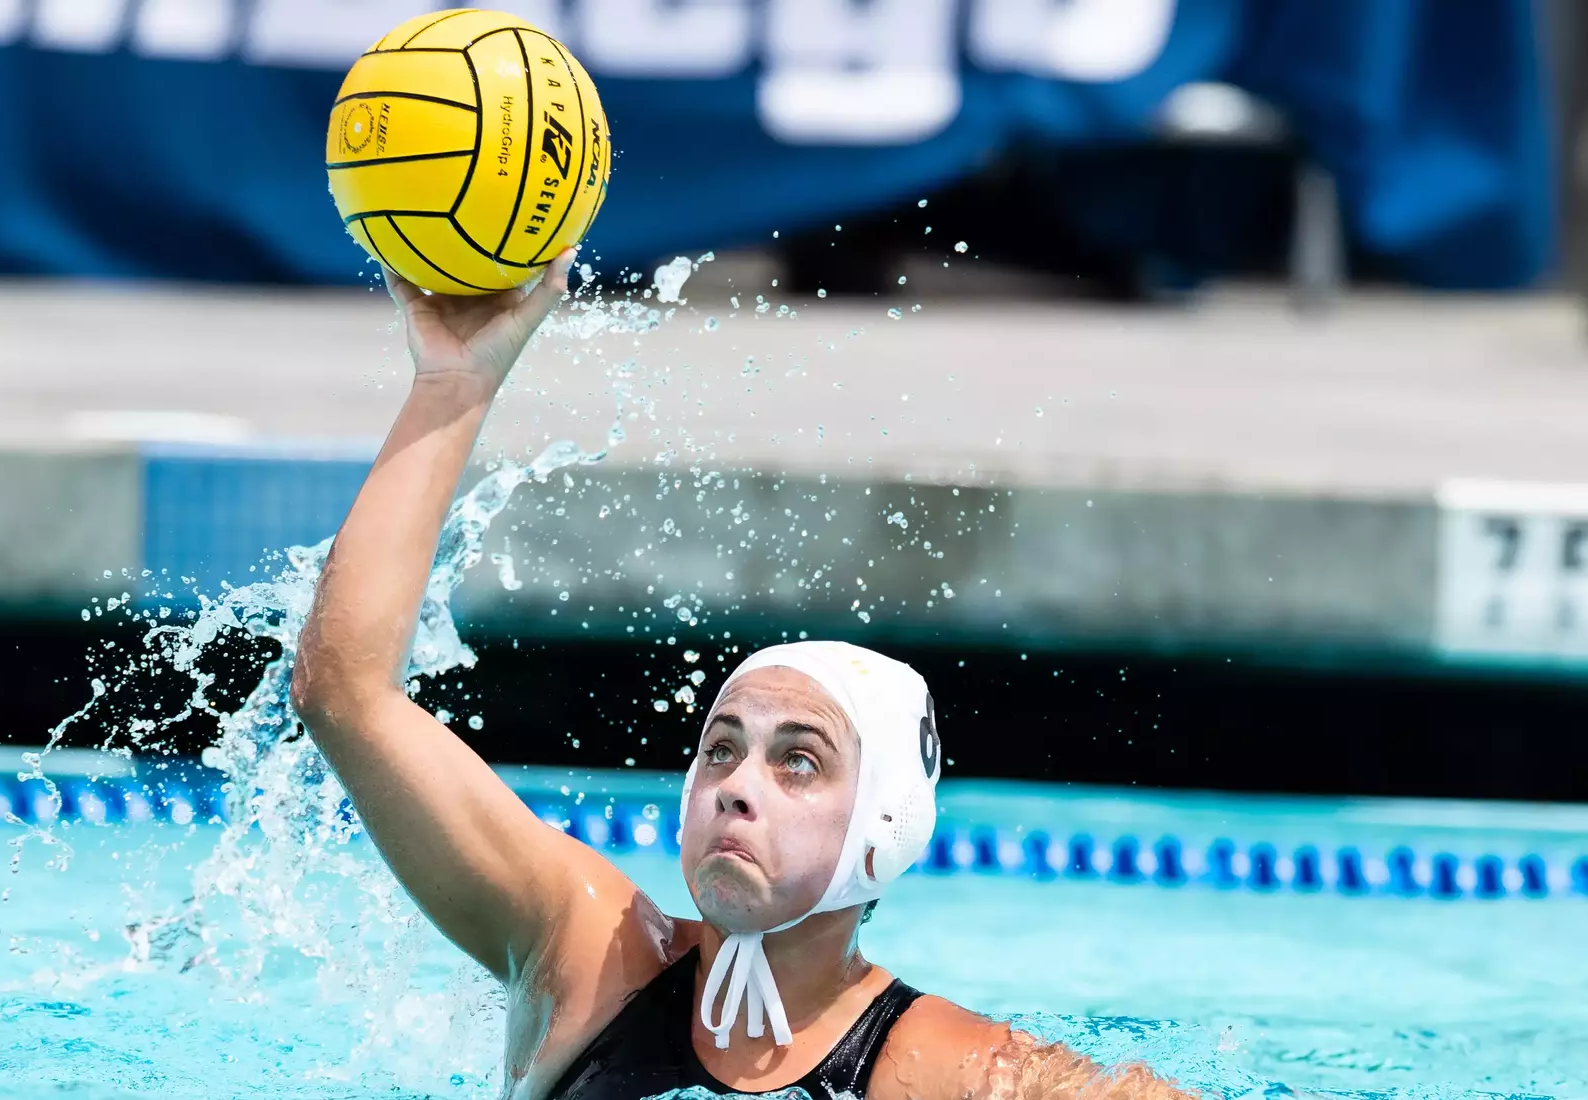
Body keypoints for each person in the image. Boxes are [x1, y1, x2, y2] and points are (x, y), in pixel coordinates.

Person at [291, 250, 1189, 1100]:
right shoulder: (591, 959)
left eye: (798, 760)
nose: (736, 788)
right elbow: (346, 694)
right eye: (721, 751)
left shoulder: (950, 1069)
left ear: (886, 823)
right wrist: (451, 384)